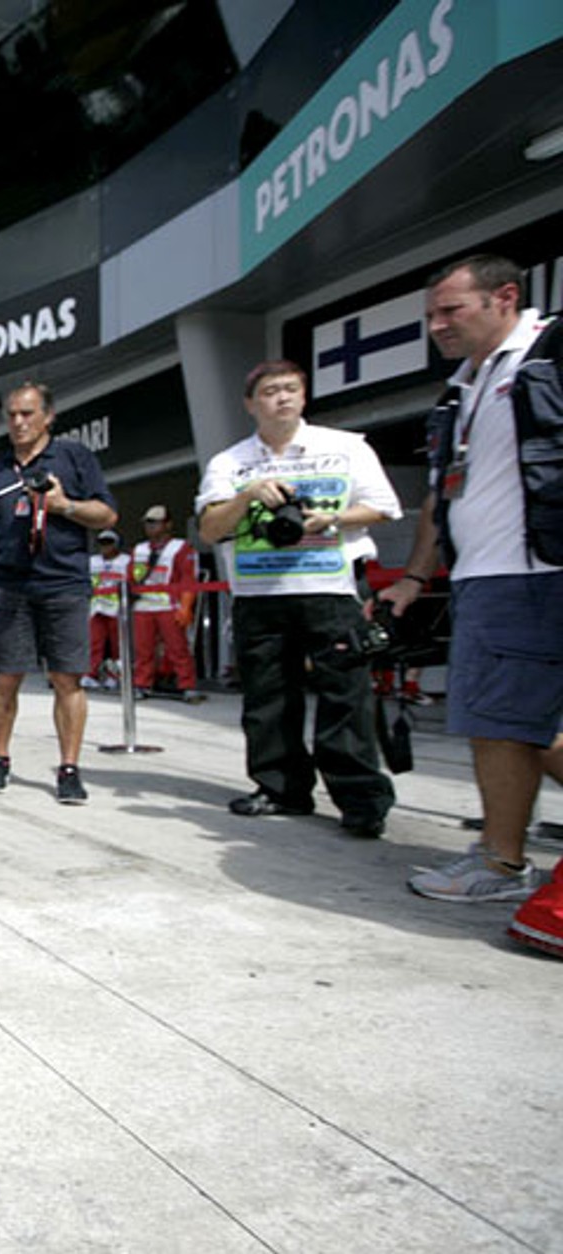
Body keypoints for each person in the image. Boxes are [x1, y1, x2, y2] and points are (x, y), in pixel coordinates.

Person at [377, 254, 561, 933]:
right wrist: (415, 577)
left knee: (516, 723)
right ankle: (502, 858)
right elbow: (440, 495)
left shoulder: (548, 355)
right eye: (430, 315)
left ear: (504, 298)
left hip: (536, 571)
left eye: (450, 310)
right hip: (483, 575)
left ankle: (501, 860)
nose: (436, 325)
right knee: (496, 720)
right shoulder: (463, 390)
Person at [196, 360, 401, 838]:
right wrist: (248, 495)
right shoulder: (229, 462)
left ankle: (361, 798)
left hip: (331, 591)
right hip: (259, 595)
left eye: (291, 389)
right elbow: (210, 529)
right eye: (269, 391)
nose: (282, 398)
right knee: (267, 699)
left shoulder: (345, 447)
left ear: (304, 397)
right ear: (250, 403)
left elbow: (384, 507)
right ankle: (280, 788)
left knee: (346, 697)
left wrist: (329, 520)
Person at [0, 381, 118, 804]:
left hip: (64, 583)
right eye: (11, 414)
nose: (18, 422)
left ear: (48, 416)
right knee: (6, 676)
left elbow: (106, 513)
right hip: (11, 585)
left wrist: (65, 504)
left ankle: (69, 767)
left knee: (66, 677)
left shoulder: (74, 458)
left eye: (27, 413)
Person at [130, 504, 202, 702]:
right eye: (148, 523)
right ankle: (142, 684)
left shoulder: (181, 547)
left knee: (178, 648)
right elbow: (130, 577)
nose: (151, 527)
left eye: (155, 522)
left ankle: (187, 685)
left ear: (168, 524)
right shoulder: (139, 549)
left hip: (169, 605)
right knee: (143, 649)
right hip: (143, 606)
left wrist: (186, 607)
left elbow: (189, 579)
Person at [83, 529, 126, 691]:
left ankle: (116, 676)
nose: (105, 546)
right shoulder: (92, 562)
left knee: (118, 646)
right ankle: (90, 674)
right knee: (94, 643)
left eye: (109, 542)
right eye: (102, 543)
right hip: (97, 608)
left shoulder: (126, 561)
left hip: (117, 609)